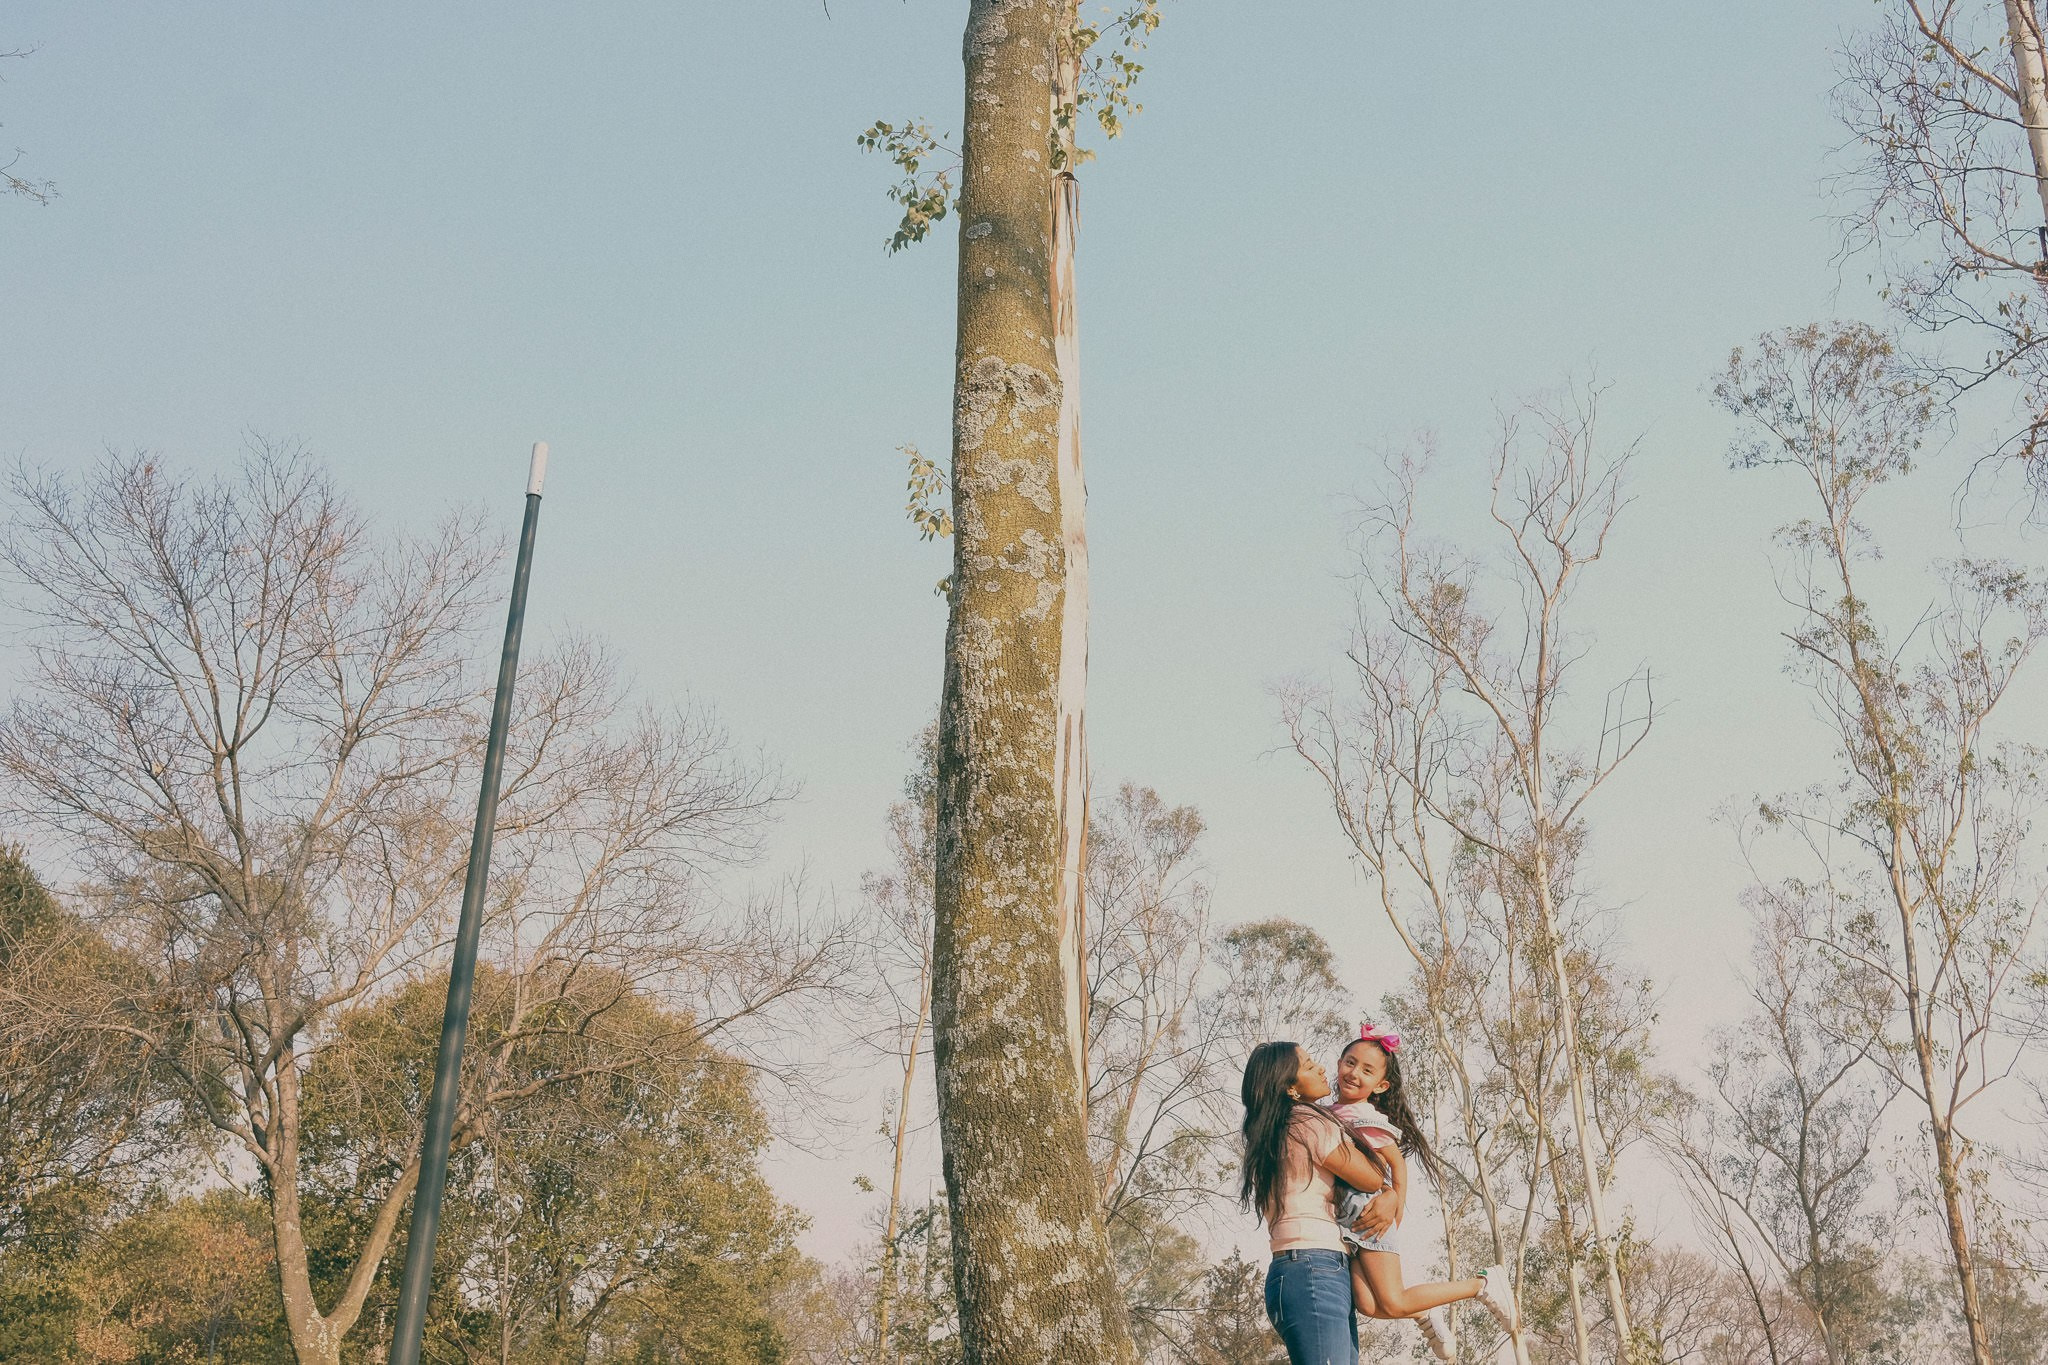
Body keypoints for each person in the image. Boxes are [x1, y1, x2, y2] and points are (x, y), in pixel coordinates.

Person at [1328, 1024, 1518, 1359]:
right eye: (1350, 1062)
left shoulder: (1364, 1115)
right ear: (1340, 1063)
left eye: (1367, 1070)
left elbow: (1395, 1165)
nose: (1354, 1073)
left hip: (1370, 1217)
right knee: (1369, 1305)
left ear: (1380, 1085)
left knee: (1393, 1300)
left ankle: (1482, 1284)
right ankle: (1425, 1310)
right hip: (1348, 1224)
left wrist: (1396, 1206)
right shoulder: (1332, 1112)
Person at [1239, 1040, 1389, 1365]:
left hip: (1300, 1269)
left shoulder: (1273, 1130)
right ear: (1290, 1088)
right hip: (1314, 1268)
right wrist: (1390, 1187)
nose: (1321, 1068)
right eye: (1308, 1066)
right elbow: (1371, 1178)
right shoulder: (1307, 1121)